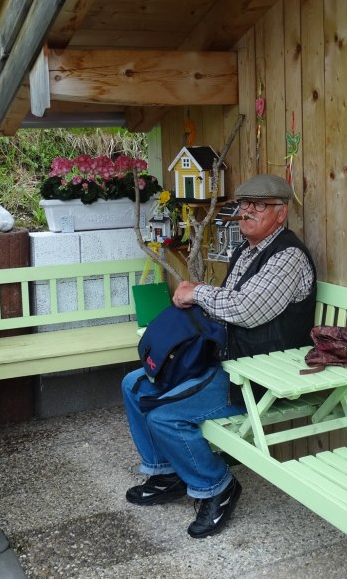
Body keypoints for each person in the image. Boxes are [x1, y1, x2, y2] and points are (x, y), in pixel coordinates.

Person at [121, 173, 316, 538]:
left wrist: (196, 292)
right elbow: (226, 309)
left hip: (257, 375)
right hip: (226, 359)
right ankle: (166, 472)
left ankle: (217, 486)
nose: (246, 212)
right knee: (134, 383)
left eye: (258, 205)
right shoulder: (247, 250)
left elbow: (245, 310)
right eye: (243, 204)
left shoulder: (287, 256)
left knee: (165, 416)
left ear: (281, 213)